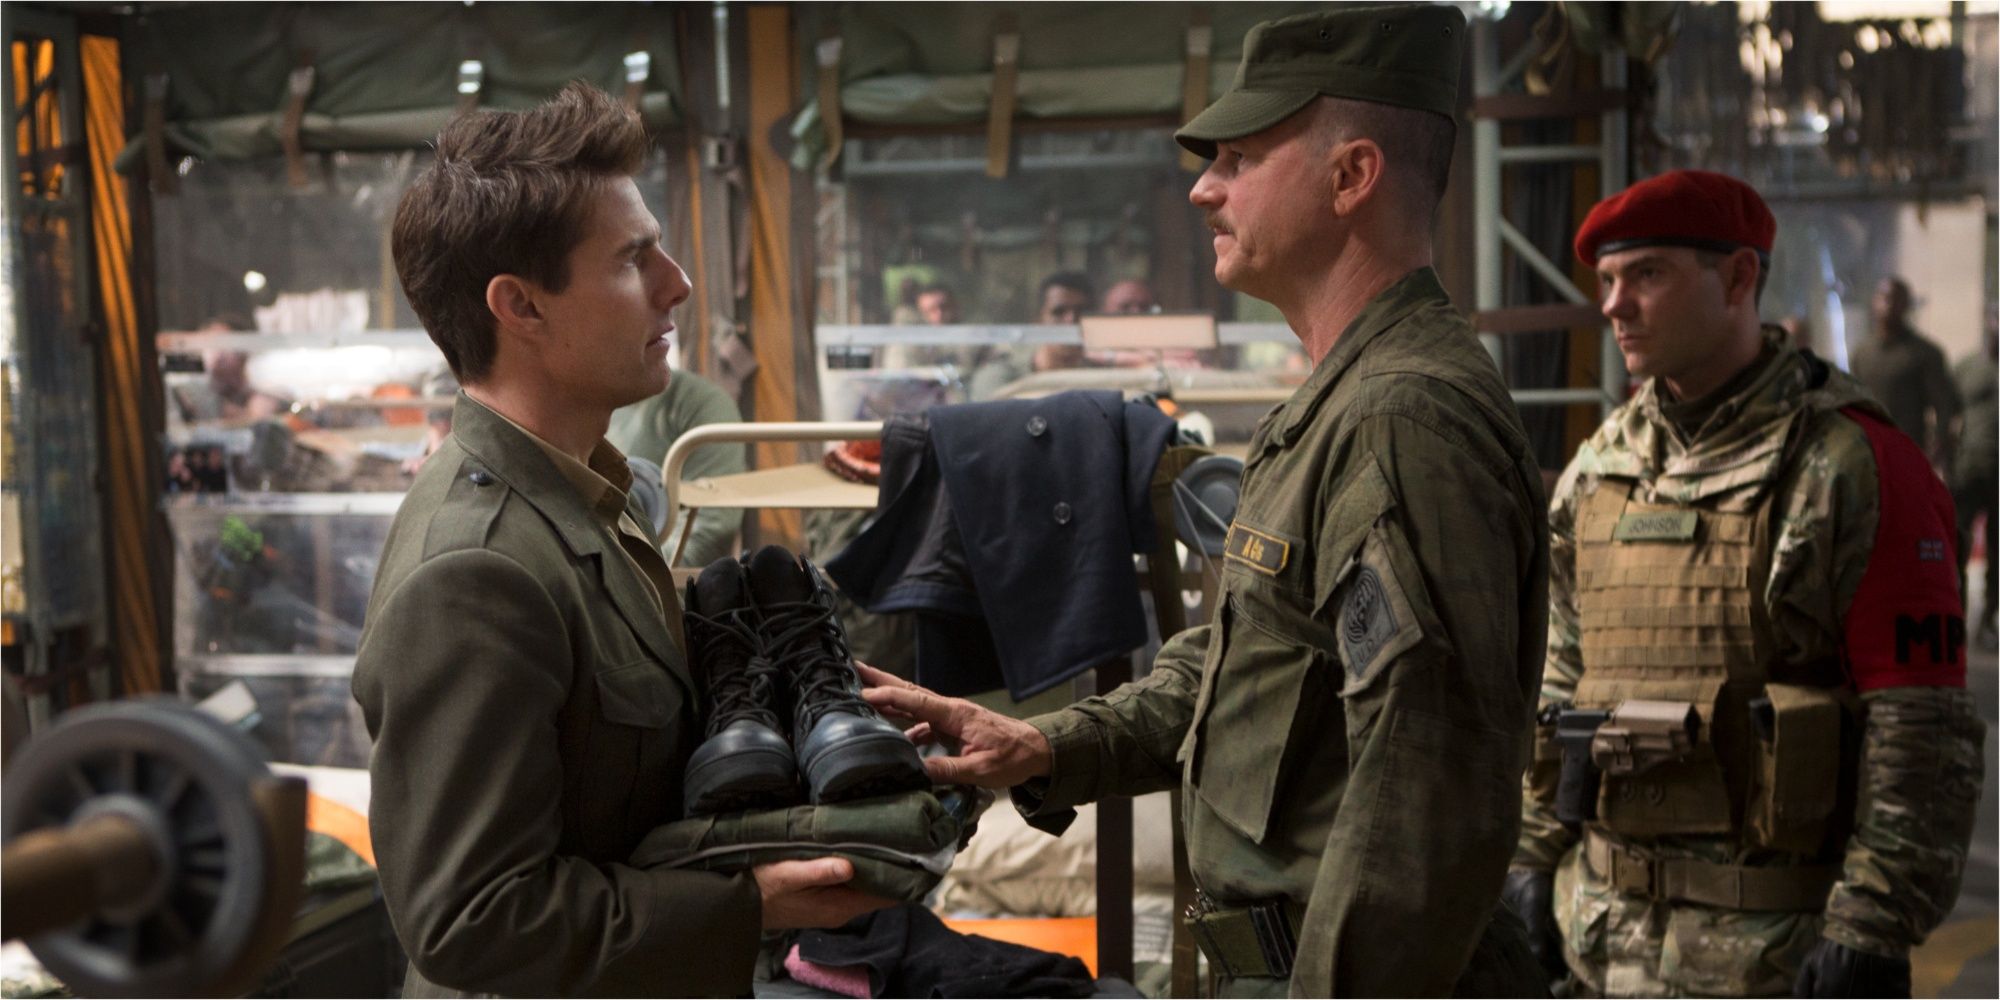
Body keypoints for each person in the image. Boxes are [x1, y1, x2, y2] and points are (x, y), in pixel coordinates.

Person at [862, 7, 1550, 995]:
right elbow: (1241, 668)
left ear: (1350, 176)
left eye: (1236, 156)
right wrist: (1040, 743)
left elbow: (1421, 795)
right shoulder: (1335, 400)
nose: (1201, 187)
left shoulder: (1402, 416)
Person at [350, 83, 885, 998]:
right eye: (635, 259)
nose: (676, 282)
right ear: (520, 306)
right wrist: (751, 901)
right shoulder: (476, 570)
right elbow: (473, 918)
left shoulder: (599, 495)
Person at [1504, 170, 1985, 998]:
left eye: (1648, 274)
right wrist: (1532, 859)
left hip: (1776, 960)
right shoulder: (1600, 471)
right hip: (1599, 949)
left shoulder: (1850, 469)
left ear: (1738, 279)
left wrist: (1871, 926)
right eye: (1609, 281)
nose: (1615, 305)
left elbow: (1919, 727)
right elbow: (1562, 687)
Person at [606, 365, 748, 568]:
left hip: (652, 589)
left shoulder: (696, 404)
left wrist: (610, 571)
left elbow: (709, 534)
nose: (669, 330)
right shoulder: (566, 411)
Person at [1849, 277, 1961, 466]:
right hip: (1867, 453)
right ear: (1874, 301)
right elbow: (1852, 404)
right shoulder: (1861, 354)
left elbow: (1943, 404)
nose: (1889, 304)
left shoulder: (1924, 353)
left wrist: (1939, 444)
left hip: (1908, 452)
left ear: (1906, 305)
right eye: (1884, 297)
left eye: (1896, 299)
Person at [965, 272, 1097, 399]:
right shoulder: (999, 378)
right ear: (1039, 320)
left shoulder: (1099, 378)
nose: (1071, 321)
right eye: (1058, 312)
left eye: (1082, 311)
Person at [1953, 318, 1998, 649]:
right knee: (1956, 545)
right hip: (1967, 471)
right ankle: (1956, 615)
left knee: (1997, 553)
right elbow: (1946, 411)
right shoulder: (1967, 367)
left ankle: (1989, 619)